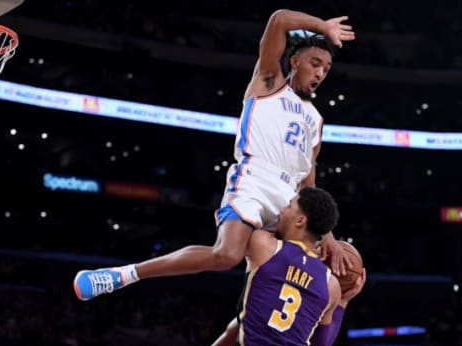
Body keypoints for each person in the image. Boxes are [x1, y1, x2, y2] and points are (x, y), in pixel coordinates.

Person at [73, 8, 356, 301]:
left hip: (290, 201)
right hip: (254, 180)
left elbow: (308, 186)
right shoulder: (270, 82)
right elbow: (280, 20)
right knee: (227, 255)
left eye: (326, 68)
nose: (321, 72)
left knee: (311, 273)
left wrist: (328, 236)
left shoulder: (316, 120)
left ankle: (263, 339)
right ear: (295, 61)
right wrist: (322, 27)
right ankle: (124, 274)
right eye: (315, 63)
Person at [170, 187, 364, 346]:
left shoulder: (264, 244)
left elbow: (251, 207)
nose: (281, 209)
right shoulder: (331, 286)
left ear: (300, 221)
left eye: (289, 205)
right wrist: (343, 302)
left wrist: (324, 235)